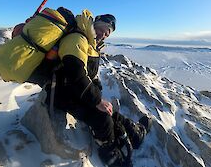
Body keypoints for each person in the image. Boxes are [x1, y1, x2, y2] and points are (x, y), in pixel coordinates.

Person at [44, 9, 151, 166]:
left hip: (72, 89)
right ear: (93, 23)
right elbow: (76, 73)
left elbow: (89, 74)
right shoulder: (77, 38)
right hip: (61, 92)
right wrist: (97, 101)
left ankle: (134, 133)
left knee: (109, 111)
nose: (103, 34)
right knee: (102, 118)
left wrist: (97, 94)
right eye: (101, 29)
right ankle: (110, 154)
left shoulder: (90, 43)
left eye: (107, 34)